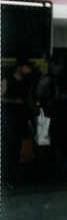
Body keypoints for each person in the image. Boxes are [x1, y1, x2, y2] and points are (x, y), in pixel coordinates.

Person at [1, 57, 37, 185]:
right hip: (8, 118)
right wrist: (14, 101)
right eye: (27, 67)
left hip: (21, 119)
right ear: (19, 67)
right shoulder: (8, 80)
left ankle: (11, 176)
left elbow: (28, 100)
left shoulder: (27, 82)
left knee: (16, 148)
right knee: (9, 147)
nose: (29, 69)